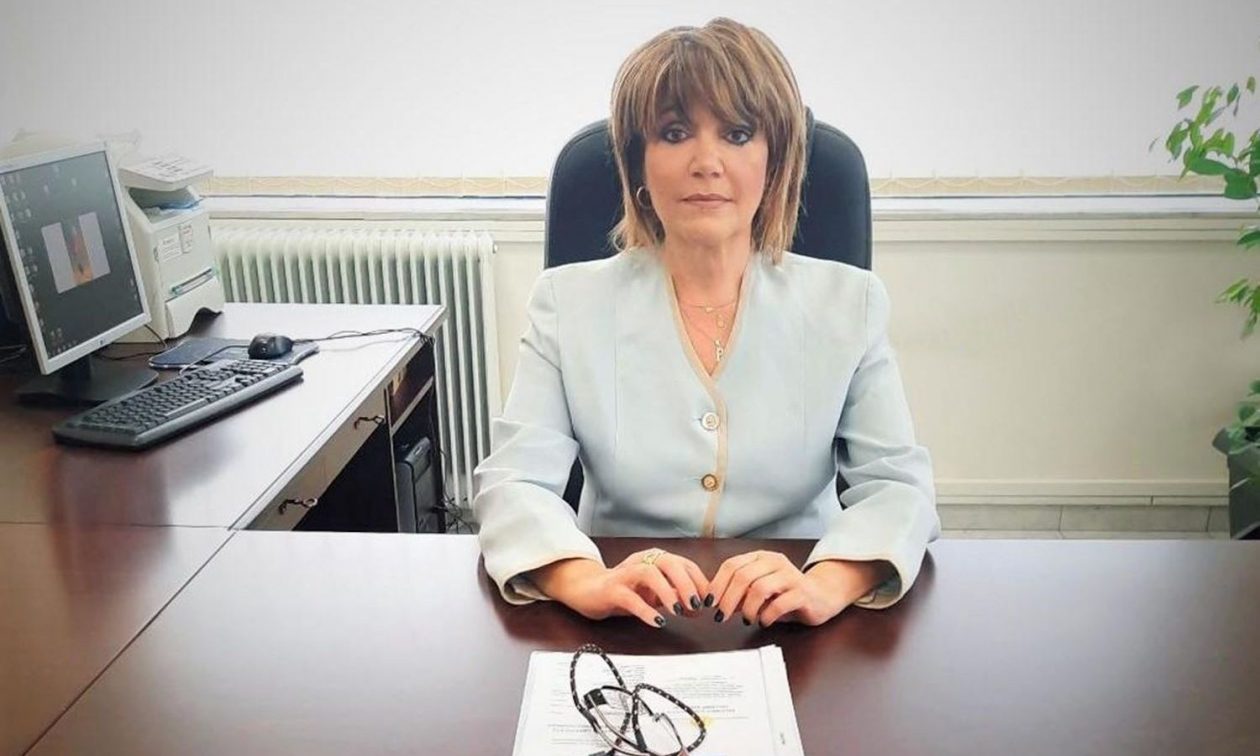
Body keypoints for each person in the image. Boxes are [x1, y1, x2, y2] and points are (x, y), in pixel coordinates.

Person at [473, 17, 939, 629]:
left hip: (796, 622)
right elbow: (514, 482)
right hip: (626, 618)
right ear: (638, 164)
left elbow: (897, 487)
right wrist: (584, 579)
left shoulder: (850, 305)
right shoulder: (567, 303)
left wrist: (825, 583)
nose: (707, 162)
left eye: (738, 134)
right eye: (674, 133)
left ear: (775, 161)